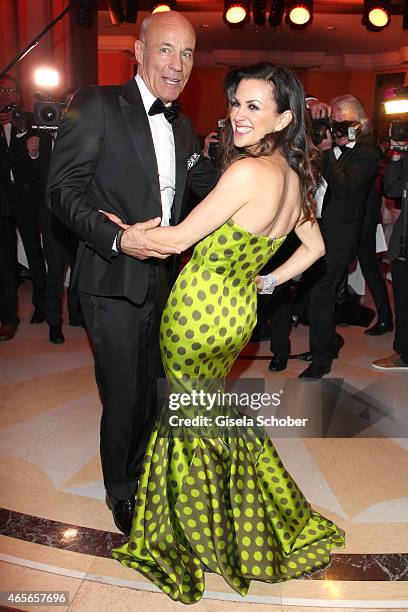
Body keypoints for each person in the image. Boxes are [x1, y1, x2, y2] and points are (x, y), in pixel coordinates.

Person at [110, 62, 345, 604]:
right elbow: (315, 250)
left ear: (284, 118)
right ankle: (232, 508)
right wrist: (265, 282)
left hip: (197, 312)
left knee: (188, 417)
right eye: (237, 103)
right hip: (238, 314)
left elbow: (175, 241)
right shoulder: (294, 177)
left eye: (254, 107)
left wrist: (117, 230)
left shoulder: (244, 174)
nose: (239, 115)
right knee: (210, 411)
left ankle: (188, 529)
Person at [46, 11, 217, 536]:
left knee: (154, 388)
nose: (178, 64)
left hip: (163, 282)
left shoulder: (183, 123)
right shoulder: (96, 104)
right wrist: (120, 236)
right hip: (111, 278)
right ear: (139, 53)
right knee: (122, 393)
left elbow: (210, 185)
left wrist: (262, 161)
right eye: (166, 50)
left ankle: (143, 471)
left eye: (187, 53)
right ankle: (120, 489)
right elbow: (62, 192)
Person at [298, 95, 381, 380]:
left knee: (321, 292)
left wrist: (328, 151)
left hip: (342, 234)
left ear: (358, 123)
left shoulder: (368, 152)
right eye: (333, 122)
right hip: (319, 227)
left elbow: (345, 188)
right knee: (314, 292)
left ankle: (322, 358)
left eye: (340, 123)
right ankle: (329, 341)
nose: (335, 129)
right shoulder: (336, 145)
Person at [0, 74, 46, 341]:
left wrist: (19, 130)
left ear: (19, 95)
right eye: (2, 90)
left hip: (27, 196)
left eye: (11, 90)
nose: (6, 95)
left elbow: (35, 164)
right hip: (3, 199)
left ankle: (41, 304)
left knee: (33, 250)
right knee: (5, 259)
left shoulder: (30, 120)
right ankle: (8, 315)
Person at [373, 136, 408, 370]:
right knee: (403, 301)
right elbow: (391, 189)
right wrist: (397, 155)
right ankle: (403, 353)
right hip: (403, 241)